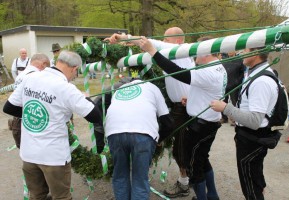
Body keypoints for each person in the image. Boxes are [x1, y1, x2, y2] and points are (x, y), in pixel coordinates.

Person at [106, 27, 195, 198]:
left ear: (178, 40)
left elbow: (150, 43)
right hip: (178, 106)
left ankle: (186, 183)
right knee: (181, 150)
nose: (164, 42)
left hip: (184, 108)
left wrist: (123, 38)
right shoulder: (173, 54)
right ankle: (187, 181)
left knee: (183, 150)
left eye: (166, 40)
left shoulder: (180, 51)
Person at [136, 35, 226, 200]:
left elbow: (178, 73)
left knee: (194, 165)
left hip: (201, 125)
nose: (194, 57)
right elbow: (207, 91)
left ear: (206, 52)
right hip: (208, 121)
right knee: (202, 160)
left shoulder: (208, 71)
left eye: (197, 53)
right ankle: (212, 195)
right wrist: (191, 99)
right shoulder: (217, 66)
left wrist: (152, 52)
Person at [3, 50, 101, 200]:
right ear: (74, 68)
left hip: (29, 154)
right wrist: (85, 99)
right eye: (77, 73)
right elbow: (95, 116)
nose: (75, 77)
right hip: (54, 157)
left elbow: (9, 107)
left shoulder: (30, 78)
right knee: (61, 197)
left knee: (36, 195)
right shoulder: (66, 88)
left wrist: (38, 115)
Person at [210, 47, 278, 200]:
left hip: (252, 138)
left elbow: (254, 121)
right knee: (255, 179)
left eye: (245, 50)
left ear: (255, 53)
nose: (241, 53)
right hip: (251, 137)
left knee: (250, 186)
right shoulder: (256, 72)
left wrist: (226, 108)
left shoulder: (261, 81)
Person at [104, 77, 174, 200]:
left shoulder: (120, 89)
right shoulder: (153, 87)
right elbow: (168, 122)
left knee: (120, 175)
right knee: (140, 178)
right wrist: (160, 139)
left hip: (114, 131)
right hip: (143, 133)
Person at [9, 53, 50, 149]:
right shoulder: (36, 76)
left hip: (18, 120)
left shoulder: (21, 76)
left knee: (26, 153)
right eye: (46, 68)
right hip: (31, 121)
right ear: (43, 64)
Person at [221, 51, 245, 124]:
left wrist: (238, 82)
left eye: (231, 50)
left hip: (235, 85)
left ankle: (235, 119)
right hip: (225, 85)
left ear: (235, 51)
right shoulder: (224, 61)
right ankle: (223, 118)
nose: (229, 52)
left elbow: (242, 73)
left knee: (235, 102)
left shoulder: (240, 60)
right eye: (228, 50)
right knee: (223, 102)